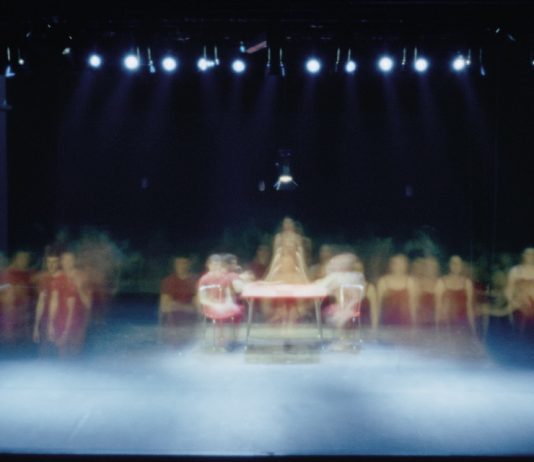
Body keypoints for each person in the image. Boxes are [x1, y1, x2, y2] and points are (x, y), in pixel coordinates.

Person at [315, 253, 365, 350]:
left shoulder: (339, 277)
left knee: (335, 315)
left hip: (349, 308)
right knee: (332, 313)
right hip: (350, 307)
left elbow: (321, 286)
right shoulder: (356, 276)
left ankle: (343, 341)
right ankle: (344, 340)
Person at [197, 254, 244, 350]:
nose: (216, 267)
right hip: (210, 306)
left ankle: (234, 339)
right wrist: (215, 305)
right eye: (214, 265)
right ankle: (221, 341)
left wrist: (229, 303)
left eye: (218, 265)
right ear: (209, 265)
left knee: (237, 310)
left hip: (223, 304)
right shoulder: (204, 279)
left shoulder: (224, 277)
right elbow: (202, 299)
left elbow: (228, 295)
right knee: (221, 312)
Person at [159, 257, 198, 343]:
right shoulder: (168, 281)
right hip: (172, 326)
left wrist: (175, 305)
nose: (181, 266)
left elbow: (196, 309)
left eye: (184, 263)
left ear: (189, 264)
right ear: (174, 264)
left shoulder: (196, 281)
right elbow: (164, 308)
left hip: (191, 324)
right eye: (178, 263)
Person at [435, 255, 476, 334]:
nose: (456, 266)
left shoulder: (467, 283)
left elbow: (470, 307)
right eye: (453, 263)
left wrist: (473, 330)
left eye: (458, 263)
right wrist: (437, 329)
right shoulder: (441, 282)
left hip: (463, 325)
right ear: (449, 265)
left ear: (461, 266)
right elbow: (438, 307)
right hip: (446, 325)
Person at [0, 251, 35, 343]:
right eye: (21, 258)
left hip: (22, 322)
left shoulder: (27, 274)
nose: (24, 261)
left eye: (26, 258)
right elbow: (5, 293)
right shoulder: (6, 274)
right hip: (8, 322)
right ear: (15, 259)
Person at [377, 254, 417, 327]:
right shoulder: (383, 281)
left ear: (406, 266)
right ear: (391, 265)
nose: (399, 267)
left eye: (402, 264)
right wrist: (376, 325)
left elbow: (413, 306)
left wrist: (414, 325)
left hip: (405, 324)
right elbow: (378, 306)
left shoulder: (410, 281)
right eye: (396, 264)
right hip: (386, 323)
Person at [503, 247, 534, 332]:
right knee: (519, 331)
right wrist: (513, 302)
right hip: (518, 307)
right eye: (528, 254)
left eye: (532, 254)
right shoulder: (515, 271)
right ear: (523, 255)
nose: (530, 256)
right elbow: (508, 290)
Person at [413, 256, 440, 328]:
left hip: (436, 317)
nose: (431, 269)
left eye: (433, 266)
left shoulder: (440, 282)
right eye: (429, 267)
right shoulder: (419, 282)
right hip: (421, 318)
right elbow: (415, 302)